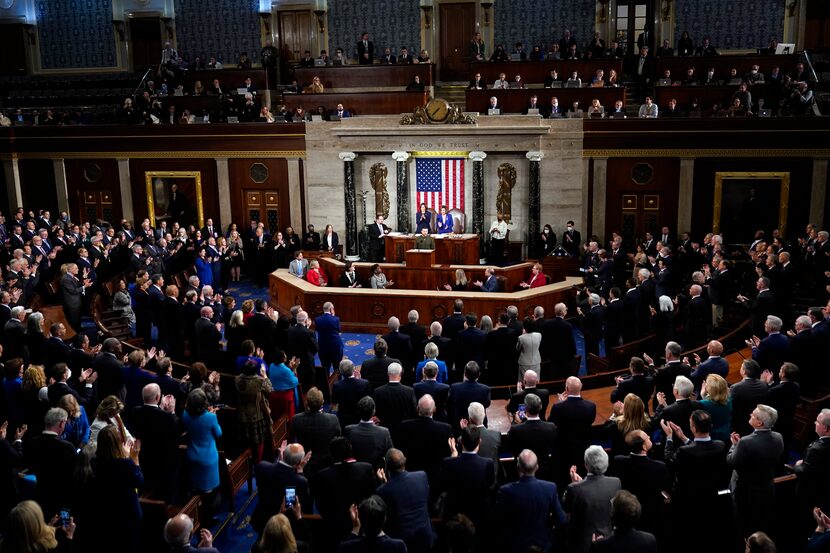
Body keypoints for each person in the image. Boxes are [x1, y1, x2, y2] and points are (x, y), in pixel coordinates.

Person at [728, 404, 785, 538]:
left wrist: (734, 446)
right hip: (766, 488)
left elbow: (732, 461)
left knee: (742, 523)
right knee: (759, 521)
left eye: (753, 414)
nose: (750, 415)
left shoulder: (746, 442)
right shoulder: (778, 437)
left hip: (744, 491)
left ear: (759, 422)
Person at [88, 425, 143, 553]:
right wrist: (134, 458)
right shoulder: (125, 464)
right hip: (126, 515)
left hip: (105, 513)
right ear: (117, 443)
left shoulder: (96, 462)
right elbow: (139, 480)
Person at [563, 446, 622, 553]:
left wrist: (575, 485)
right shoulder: (616, 483)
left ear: (586, 465)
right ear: (606, 463)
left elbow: (565, 509)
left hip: (581, 546)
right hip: (609, 541)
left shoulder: (574, 488)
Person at [376, 448, 435, 553]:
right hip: (426, 539)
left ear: (387, 467)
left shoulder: (382, 491)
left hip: (402, 544)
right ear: (405, 460)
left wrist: (384, 484)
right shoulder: (421, 476)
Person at [182, 388, 222, 519]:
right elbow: (218, 433)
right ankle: (208, 518)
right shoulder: (211, 417)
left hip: (191, 455)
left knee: (196, 487)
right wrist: (214, 415)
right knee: (208, 491)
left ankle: (197, 514)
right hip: (207, 459)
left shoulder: (185, 414)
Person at [590, 491, 658, 552]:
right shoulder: (650, 540)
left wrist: (597, 544)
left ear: (613, 516)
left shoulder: (600, 546)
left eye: (611, 510)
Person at [337, 495, 407, 552]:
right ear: (385, 518)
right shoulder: (398, 547)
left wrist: (355, 528)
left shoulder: (346, 547)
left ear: (360, 520)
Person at [0, 500, 75, 553]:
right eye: (40, 521)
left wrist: (49, 526)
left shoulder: (5, 545)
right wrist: (69, 535)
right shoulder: (45, 549)